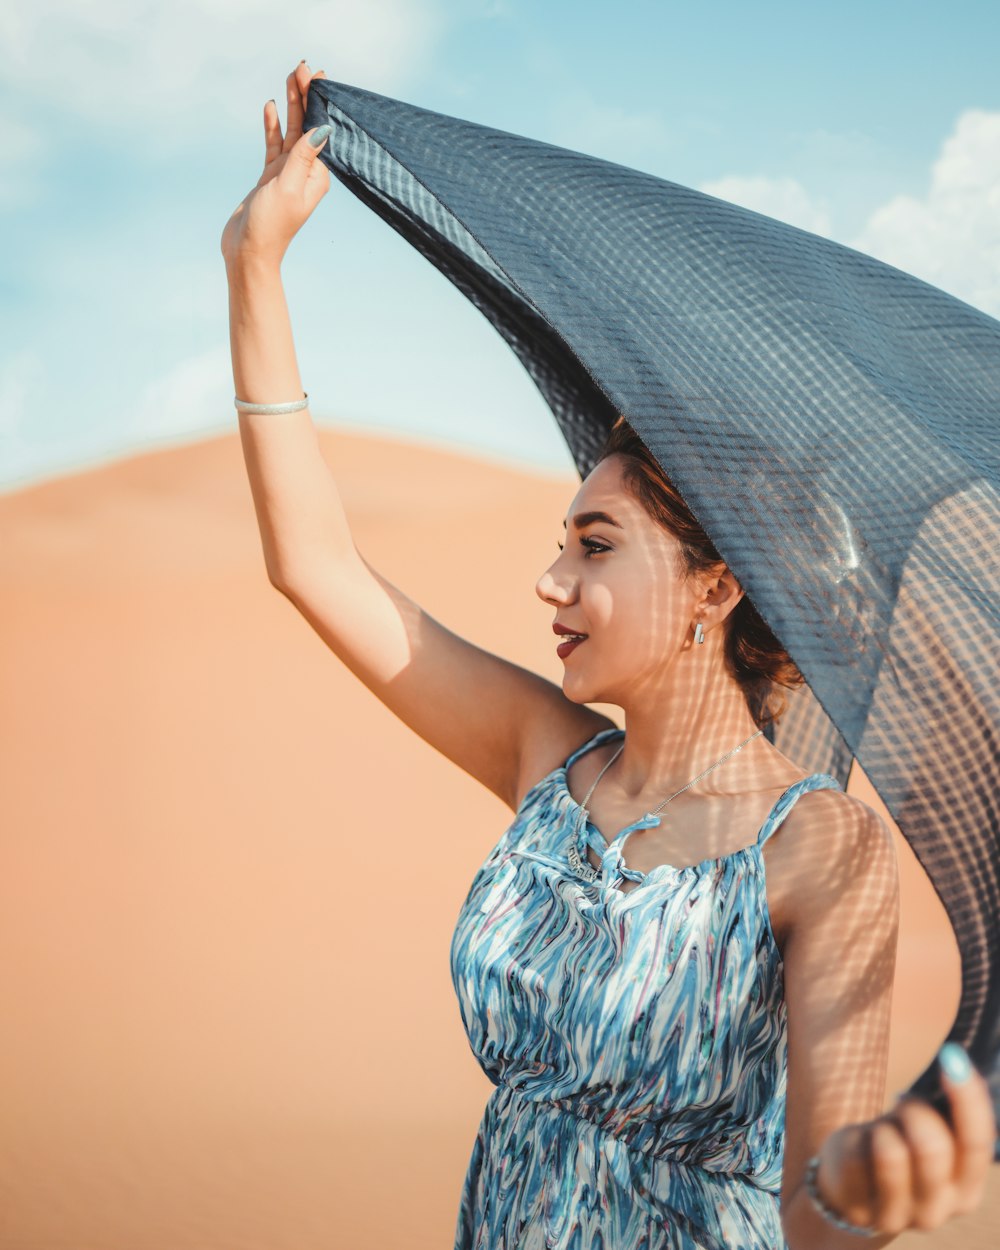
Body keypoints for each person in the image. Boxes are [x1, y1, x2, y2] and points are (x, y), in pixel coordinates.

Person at [221, 60, 997, 1250]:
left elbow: (816, 1206)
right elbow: (314, 567)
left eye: (594, 544)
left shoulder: (819, 845)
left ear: (715, 582)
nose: (550, 579)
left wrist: (868, 1193)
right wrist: (255, 268)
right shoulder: (545, 755)